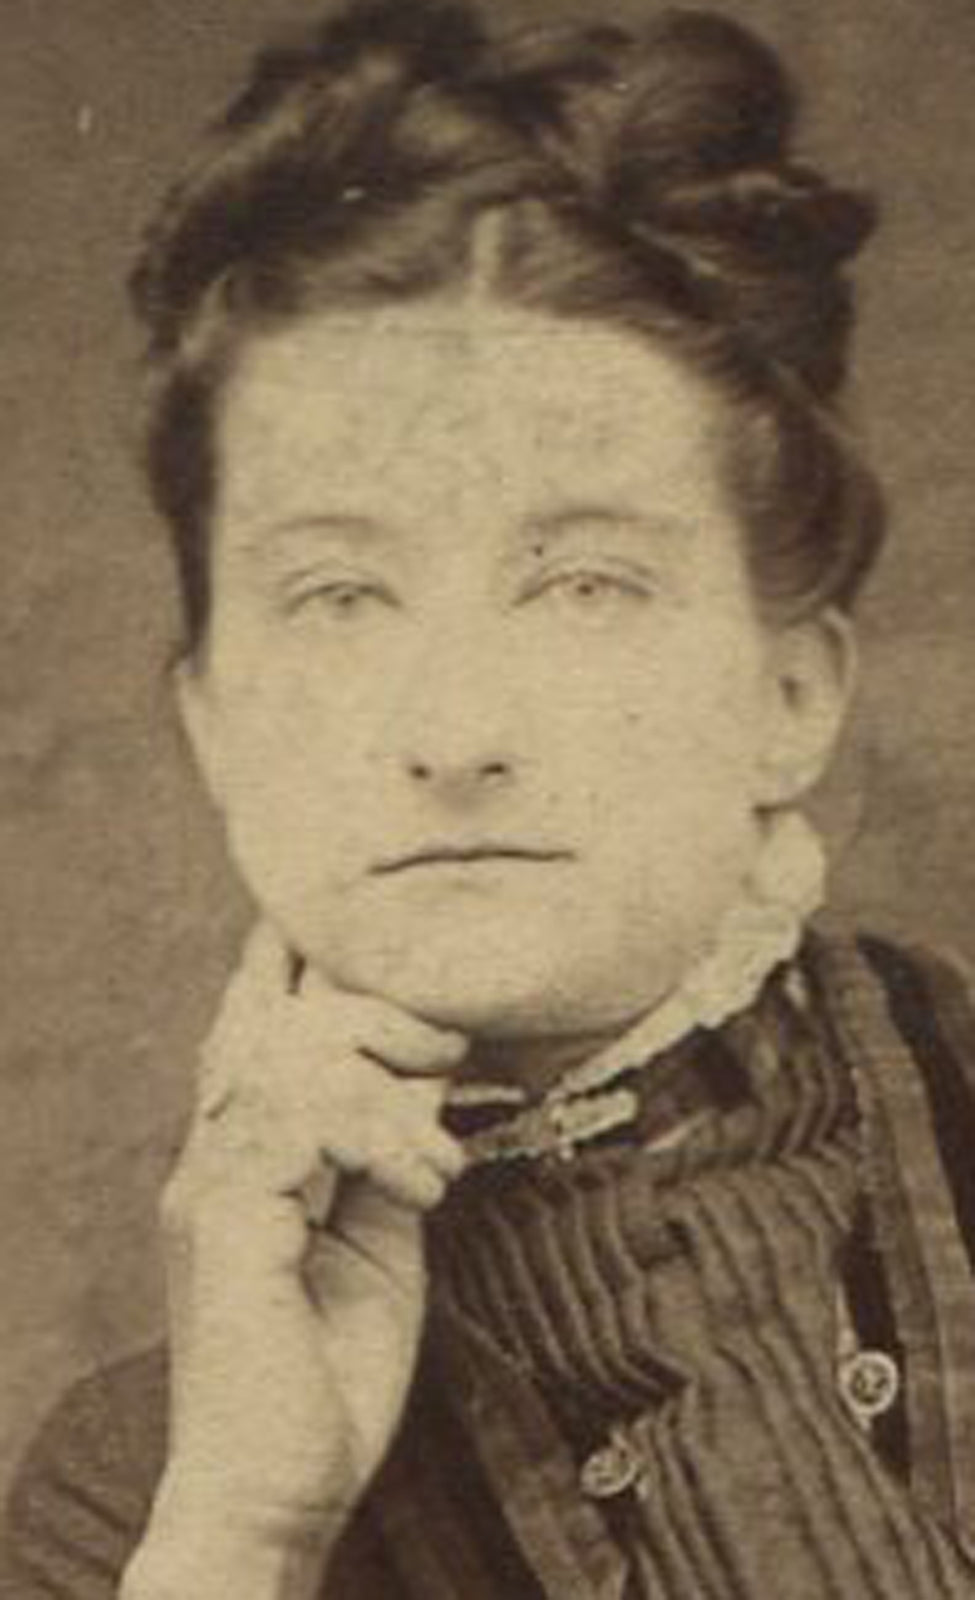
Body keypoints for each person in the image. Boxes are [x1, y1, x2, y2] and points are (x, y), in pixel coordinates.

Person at [4, 1, 975, 1595]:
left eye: (584, 583)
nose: (454, 733)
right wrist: (250, 1528)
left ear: (791, 696)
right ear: (213, 725)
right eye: (338, 596)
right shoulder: (145, 1500)